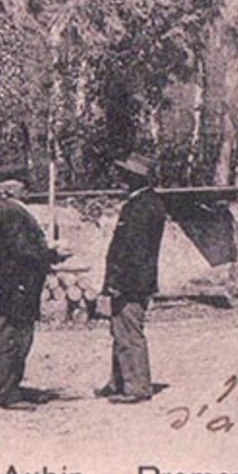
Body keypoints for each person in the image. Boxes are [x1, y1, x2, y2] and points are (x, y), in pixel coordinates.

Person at [0, 177, 66, 410]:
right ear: (8, 189)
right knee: (13, 338)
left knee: (3, 336)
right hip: (14, 286)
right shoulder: (10, 212)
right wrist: (52, 254)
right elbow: (21, 250)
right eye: (22, 186)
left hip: (4, 285)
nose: (27, 190)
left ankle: (2, 386)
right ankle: (5, 393)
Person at [97, 153, 166, 404]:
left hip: (131, 282)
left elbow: (132, 252)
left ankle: (136, 387)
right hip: (134, 280)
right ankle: (119, 381)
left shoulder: (140, 207)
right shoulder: (148, 203)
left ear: (137, 179)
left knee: (129, 334)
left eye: (126, 176)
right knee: (120, 332)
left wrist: (117, 283)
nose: (121, 180)